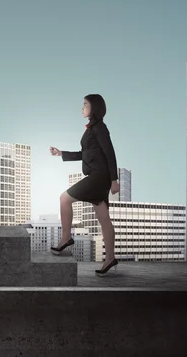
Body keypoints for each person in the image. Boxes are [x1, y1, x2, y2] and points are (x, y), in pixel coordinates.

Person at [49, 94, 120, 276]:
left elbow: (110, 153)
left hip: (98, 177)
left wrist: (114, 180)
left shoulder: (100, 128)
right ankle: (110, 258)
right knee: (103, 216)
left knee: (64, 198)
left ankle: (66, 238)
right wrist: (61, 153)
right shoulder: (91, 129)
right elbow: (84, 153)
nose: (82, 107)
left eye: (85, 104)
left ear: (94, 108)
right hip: (99, 176)